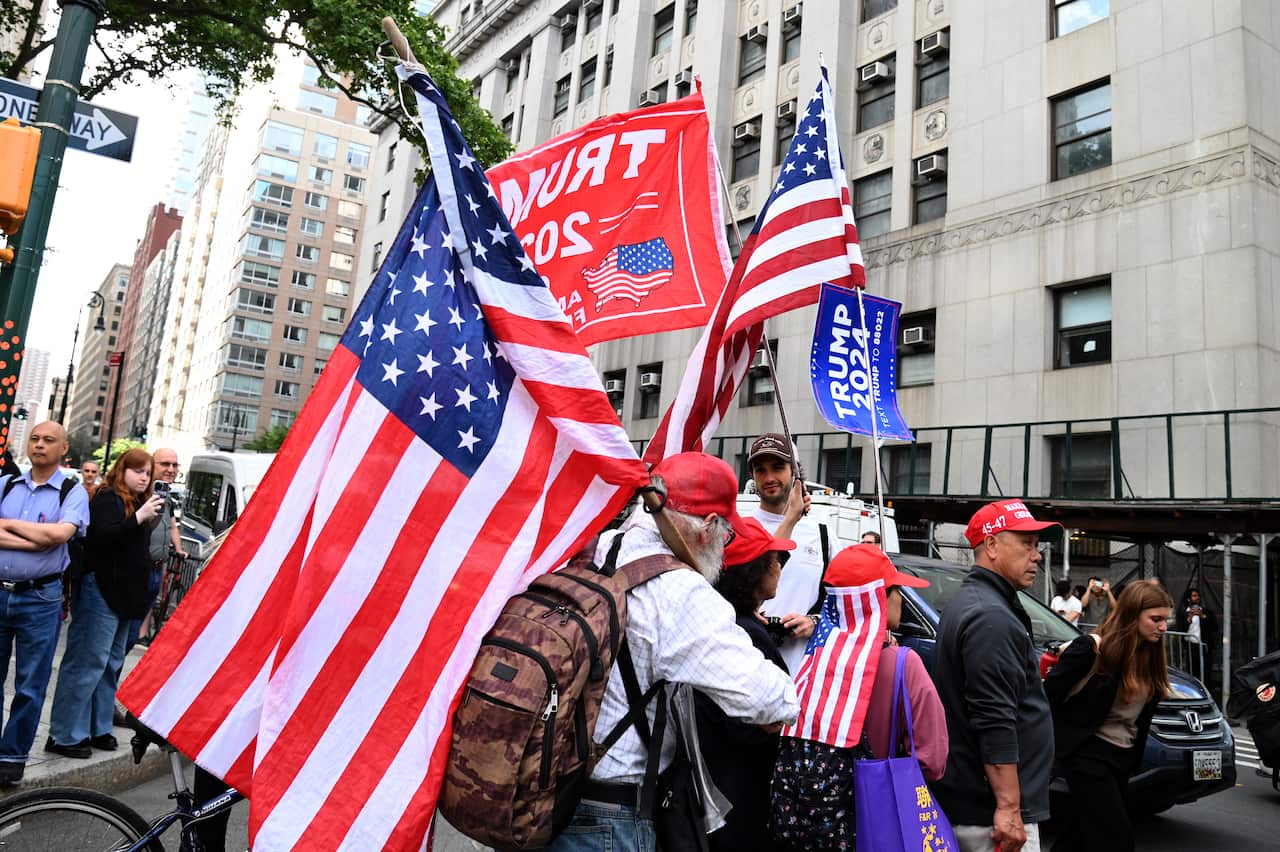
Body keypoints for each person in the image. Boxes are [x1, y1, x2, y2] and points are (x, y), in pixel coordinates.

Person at [547, 452, 799, 852]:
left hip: (542, 792)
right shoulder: (680, 591)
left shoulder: (590, 549)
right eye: (726, 535)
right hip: (609, 815)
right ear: (709, 528)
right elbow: (771, 700)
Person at [770, 544, 947, 850]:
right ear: (878, 598)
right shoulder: (904, 664)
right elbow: (933, 762)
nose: (900, 598)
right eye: (895, 590)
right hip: (878, 821)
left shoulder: (815, 656)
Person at [933, 500, 1062, 852]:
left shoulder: (979, 602)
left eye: (1037, 546)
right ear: (991, 545)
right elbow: (994, 719)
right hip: (989, 813)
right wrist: (1008, 807)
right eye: (1026, 543)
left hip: (979, 802)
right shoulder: (991, 616)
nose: (1037, 555)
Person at [46, 449, 164, 758]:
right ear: (122, 470)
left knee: (110, 664)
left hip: (125, 595)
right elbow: (103, 537)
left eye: (148, 472)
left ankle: (97, 728)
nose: (144, 476)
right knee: (87, 662)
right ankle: (64, 734)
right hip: (101, 590)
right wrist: (139, 517)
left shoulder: (139, 502)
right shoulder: (106, 497)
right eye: (138, 470)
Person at [1044, 580, 1172, 852]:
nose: (1163, 627)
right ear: (1131, 615)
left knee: (1080, 834)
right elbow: (1047, 698)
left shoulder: (1150, 656)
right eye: (1156, 619)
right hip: (1087, 756)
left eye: (1165, 620)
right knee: (1117, 839)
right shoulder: (1091, 649)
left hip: (1121, 759)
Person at [696, 518, 795, 852]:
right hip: (737, 780)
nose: (779, 567)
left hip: (717, 776)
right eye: (774, 561)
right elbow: (770, 718)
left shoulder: (727, 621)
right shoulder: (745, 634)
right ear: (758, 571)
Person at [0, 423, 90, 785]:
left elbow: (60, 535)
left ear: (63, 448)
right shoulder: (6, 484)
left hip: (41, 597)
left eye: (48, 440)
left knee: (30, 684)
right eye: (35, 439)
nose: (39, 445)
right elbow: (47, 537)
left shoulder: (72, 491)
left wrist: (7, 527)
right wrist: (37, 541)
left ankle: (11, 758)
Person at [747, 433, 824, 673]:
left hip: (804, 676)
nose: (769, 477)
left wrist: (815, 622)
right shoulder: (738, 528)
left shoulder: (822, 534)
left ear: (796, 472)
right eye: (760, 470)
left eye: (778, 467)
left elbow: (840, 603)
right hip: (749, 672)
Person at [125, 447, 188, 651]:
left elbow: (171, 524)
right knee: (126, 624)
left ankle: (140, 636)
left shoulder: (166, 495)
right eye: (165, 464)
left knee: (148, 605)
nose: (171, 469)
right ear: (152, 464)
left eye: (175, 465)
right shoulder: (140, 492)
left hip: (157, 565)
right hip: (136, 566)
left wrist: (178, 549)